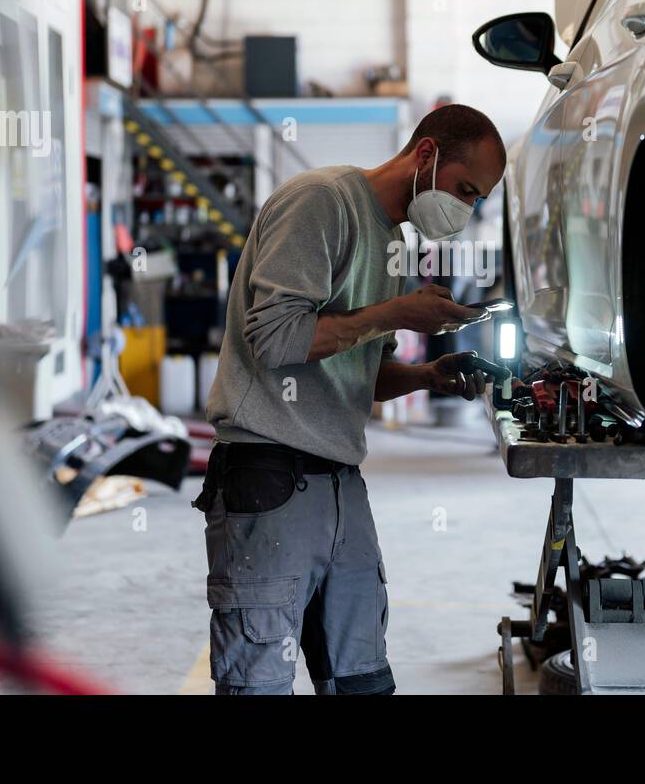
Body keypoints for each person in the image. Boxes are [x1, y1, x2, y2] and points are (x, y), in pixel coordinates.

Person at [198, 103, 507, 694]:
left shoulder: (393, 240)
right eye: (464, 190)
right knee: (257, 680)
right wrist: (397, 312)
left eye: (477, 201)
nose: (465, 211)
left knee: (361, 680)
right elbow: (277, 339)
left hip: (340, 481)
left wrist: (427, 375)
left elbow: (360, 367)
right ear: (425, 155)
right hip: (269, 478)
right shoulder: (321, 202)